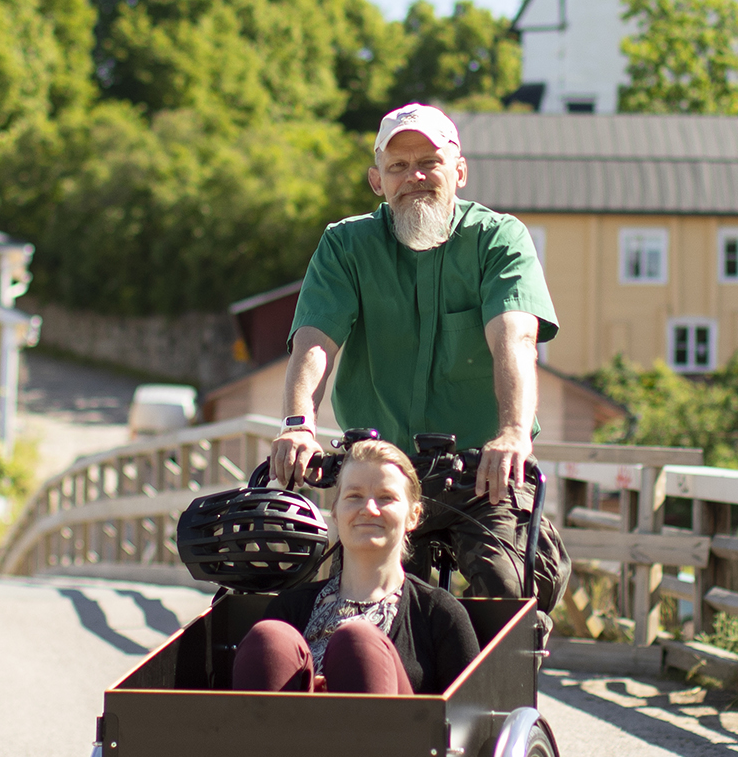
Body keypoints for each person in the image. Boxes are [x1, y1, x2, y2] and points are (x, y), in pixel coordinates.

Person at [262, 103, 558, 594]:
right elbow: (315, 340)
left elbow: (515, 335)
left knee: (507, 586)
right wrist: (298, 425)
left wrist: (511, 433)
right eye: (398, 166)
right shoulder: (345, 245)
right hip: (380, 468)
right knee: (351, 594)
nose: (414, 176)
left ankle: (493, 664)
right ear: (377, 181)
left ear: (459, 172)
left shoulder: (498, 239)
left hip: (481, 470)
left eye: (430, 162)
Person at [232, 440, 479, 695]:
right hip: (292, 731)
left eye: (386, 498)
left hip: (397, 732)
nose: (369, 509)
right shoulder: (290, 608)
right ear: (336, 512)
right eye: (354, 496)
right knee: (270, 639)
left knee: (359, 643)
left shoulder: (439, 614)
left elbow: (470, 723)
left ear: (413, 516)